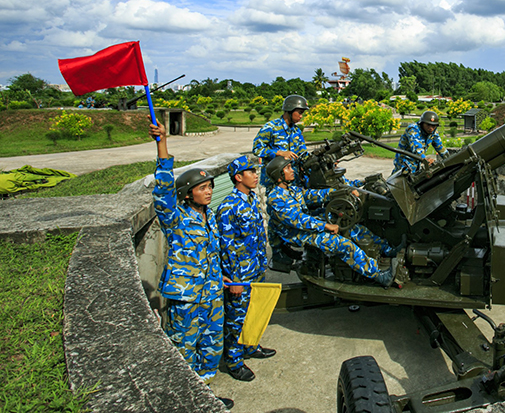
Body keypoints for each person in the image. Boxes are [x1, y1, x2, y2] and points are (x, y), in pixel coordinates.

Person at [149, 120, 233, 410]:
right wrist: (162, 145)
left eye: (210, 186)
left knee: (211, 348)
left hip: (210, 295)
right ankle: (183, 400)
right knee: (183, 349)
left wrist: (220, 279)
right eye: (202, 188)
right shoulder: (177, 219)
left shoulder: (206, 217)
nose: (209, 192)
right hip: (186, 298)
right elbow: (162, 192)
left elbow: (211, 256)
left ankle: (203, 395)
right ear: (187, 194)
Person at [253, 94, 361, 266]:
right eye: (299, 112)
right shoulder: (271, 127)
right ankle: (278, 252)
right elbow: (257, 148)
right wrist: (279, 153)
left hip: (293, 178)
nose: (301, 115)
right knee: (276, 216)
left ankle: (293, 247)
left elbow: (302, 153)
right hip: (275, 179)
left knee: (296, 210)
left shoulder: (296, 131)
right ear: (289, 110)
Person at [264, 156, 401, 288]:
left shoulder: (292, 190)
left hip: (308, 226)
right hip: (298, 234)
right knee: (344, 245)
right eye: (287, 168)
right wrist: (325, 226)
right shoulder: (275, 198)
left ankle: (388, 250)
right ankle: (379, 275)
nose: (292, 170)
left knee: (356, 229)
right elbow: (297, 220)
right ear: (279, 175)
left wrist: (340, 192)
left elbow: (313, 195)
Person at [216, 155, 276, 382]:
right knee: (235, 319)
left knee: (252, 311)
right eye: (251, 172)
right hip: (240, 275)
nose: (256, 175)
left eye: (256, 171)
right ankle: (233, 360)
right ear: (238, 177)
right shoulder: (229, 207)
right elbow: (227, 247)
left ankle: (251, 345)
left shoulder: (251, 199)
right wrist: (234, 280)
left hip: (256, 268)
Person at [393, 110, 449, 175]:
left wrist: (450, 159)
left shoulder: (433, 132)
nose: (431, 128)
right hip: (404, 164)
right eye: (428, 125)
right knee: (398, 182)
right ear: (422, 123)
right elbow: (417, 149)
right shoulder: (413, 129)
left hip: (417, 165)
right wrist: (427, 160)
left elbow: (440, 148)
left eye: (433, 126)